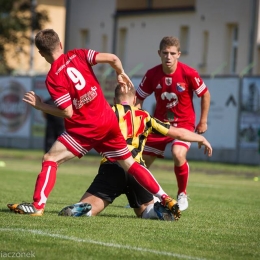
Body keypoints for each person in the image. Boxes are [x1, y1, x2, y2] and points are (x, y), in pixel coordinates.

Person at [7, 29, 181, 219]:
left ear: (41, 53)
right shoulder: (78, 54)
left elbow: (67, 112)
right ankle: (164, 197)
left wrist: (41, 106)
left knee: (50, 158)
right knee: (130, 163)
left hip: (85, 129)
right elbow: (113, 58)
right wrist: (120, 73)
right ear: (60, 45)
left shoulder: (53, 78)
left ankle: (38, 206)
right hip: (108, 121)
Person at [58, 85, 212, 220]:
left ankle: (84, 210)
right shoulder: (145, 116)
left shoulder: (107, 112)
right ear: (134, 100)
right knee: (144, 209)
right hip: (138, 171)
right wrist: (200, 138)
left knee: (92, 204)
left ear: (114, 100)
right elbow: (178, 133)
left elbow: (80, 123)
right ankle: (155, 211)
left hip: (112, 167)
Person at [135, 36, 211, 211]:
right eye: (165, 53)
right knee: (140, 162)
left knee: (178, 153)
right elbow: (138, 98)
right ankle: (143, 197)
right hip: (160, 125)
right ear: (159, 53)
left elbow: (205, 94)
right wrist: (138, 121)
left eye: (172, 53)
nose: (168, 57)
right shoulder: (152, 74)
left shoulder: (189, 73)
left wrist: (203, 120)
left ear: (178, 54)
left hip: (184, 124)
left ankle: (182, 194)